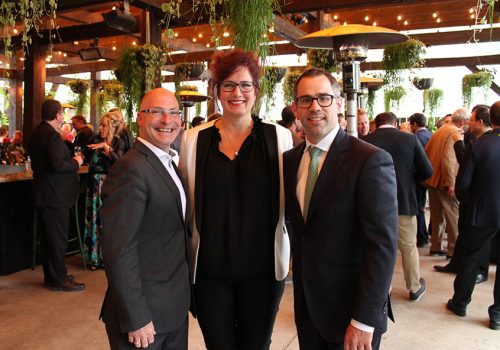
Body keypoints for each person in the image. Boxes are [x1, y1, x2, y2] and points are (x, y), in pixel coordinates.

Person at [179, 49, 293, 350]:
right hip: (209, 271)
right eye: (227, 85)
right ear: (216, 91)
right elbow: (184, 204)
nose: (236, 93)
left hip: (263, 270)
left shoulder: (279, 137)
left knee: (256, 345)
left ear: (256, 90)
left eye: (245, 85)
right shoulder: (193, 140)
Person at [283, 68, 398, 349]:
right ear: (295, 109)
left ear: (337, 103)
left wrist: (364, 320)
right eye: (305, 100)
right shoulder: (289, 160)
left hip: (352, 316)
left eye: (323, 98)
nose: (315, 107)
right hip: (308, 310)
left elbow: (381, 246)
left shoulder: (370, 160)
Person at [100, 88, 191, 349]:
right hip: (144, 317)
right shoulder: (131, 168)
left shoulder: (167, 162)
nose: (167, 120)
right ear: (140, 119)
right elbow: (118, 249)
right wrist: (136, 316)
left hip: (171, 308)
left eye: (173, 112)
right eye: (157, 112)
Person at [364, 112, 433, 302]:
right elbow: (428, 170)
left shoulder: (366, 140)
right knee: (408, 246)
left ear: (376, 124)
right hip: (404, 201)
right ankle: (414, 286)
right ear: (395, 123)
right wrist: (411, 181)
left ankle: (384, 288)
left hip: (374, 204)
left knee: (380, 247)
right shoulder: (410, 139)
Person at [446, 101, 500, 331]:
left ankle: (460, 303)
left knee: (470, 257)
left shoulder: (478, 146)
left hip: (482, 212)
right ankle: (497, 315)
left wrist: (472, 203)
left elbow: (462, 185)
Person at [28, 99, 85, 292]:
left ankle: (53, 276)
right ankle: (59, 279)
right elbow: (58, 165)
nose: (63, 117)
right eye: (62, 113)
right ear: (57, 115)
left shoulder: (38, 133)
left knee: (49, 238)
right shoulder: (51, 136)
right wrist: (76, 162)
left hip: (45, 193)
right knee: (57, 239)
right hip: (55, 195)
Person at [83, 112, 126, 270]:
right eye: (100, 125)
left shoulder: (118, 142)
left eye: (103, 126)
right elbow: (84, 157)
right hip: (93, 186)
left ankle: (108, 258)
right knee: (93, 222)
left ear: (111, 128)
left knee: (108, 222)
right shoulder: (94, 139)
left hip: (110, 186)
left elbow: (121, 163)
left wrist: (107, 149)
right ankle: (93, 258)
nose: (100, 128)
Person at [425, 108, 467, 258]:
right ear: (463, 122)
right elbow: (448, 159)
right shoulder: (455, 133)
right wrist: (451, 183)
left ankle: (435, 246)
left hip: (433, 179)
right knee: (453, 216)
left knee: (437, 217)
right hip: (444, 180)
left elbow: (427, 150)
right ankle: (453, 250)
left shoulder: (441, 129)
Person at [409, 112, 433, 247]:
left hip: (419, 178)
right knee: (422, 207)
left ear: (415, 124)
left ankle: (422, 236)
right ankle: (427, 234)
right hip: (428, 177)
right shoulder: (431, 135)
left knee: (418, 208)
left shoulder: (415, 138)